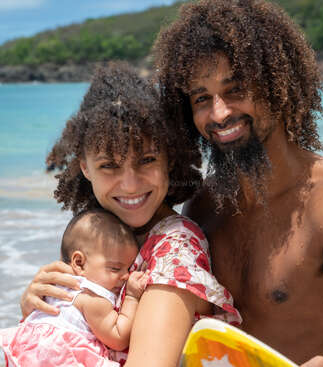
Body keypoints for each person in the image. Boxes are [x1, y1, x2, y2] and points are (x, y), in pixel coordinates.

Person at [152, 0, 323, 366]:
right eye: (202, 98)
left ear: (277, 86)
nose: (219, 113)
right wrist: (69, 293)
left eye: (235, 89)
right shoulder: (205, 207)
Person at [19, 62, 242, 367]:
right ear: (85, 166)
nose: (130, 183)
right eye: (109, 165)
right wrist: (37, 308)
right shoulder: (97, 236)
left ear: (169, 159)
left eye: (147, 159)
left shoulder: (174, 251)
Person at [0, 209, 148, 366]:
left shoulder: (54, 285)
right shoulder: (92, 298)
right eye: (115, 269)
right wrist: (132, 297)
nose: (126, 276)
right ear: (79, 263)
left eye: (129, 268)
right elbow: (118, 338)